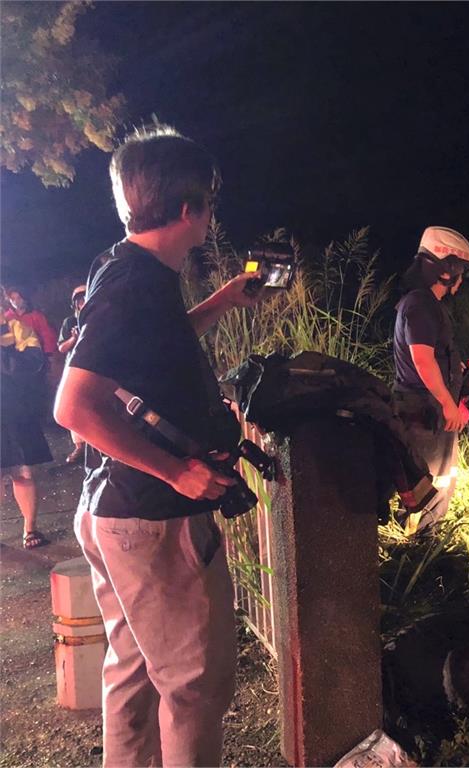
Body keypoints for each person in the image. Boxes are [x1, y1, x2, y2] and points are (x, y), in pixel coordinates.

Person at [53, 125, 266, 768]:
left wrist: (222, 302)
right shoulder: (136, 283)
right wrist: (176, 471)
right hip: (150, 519)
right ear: (188, 210)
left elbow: (148, 348)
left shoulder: (126, 268)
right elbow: (73, 406)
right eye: (208, 204)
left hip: (113, 511)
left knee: (134, 671)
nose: (210, 218)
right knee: (194, 687)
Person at [391, 226, 469, 529]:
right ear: (446, 271)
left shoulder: (424, 305)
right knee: (427, 483)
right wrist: (446, 403)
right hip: (424, 411)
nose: (462, 281)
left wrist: (459, 385)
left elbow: (434, 358)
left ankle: (425, 538)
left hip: (430, 409)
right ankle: (418, 544)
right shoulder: (420, 305)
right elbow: (423, 359)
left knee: (439, 478)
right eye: (462, 273)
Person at [1, 308, 52, 548]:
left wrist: (5, 347)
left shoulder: (18, 327)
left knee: (22, 473)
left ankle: (30, 529)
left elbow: (32, 363)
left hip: (15, 411)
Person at [57, 284, 87, 463]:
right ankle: (80, 446)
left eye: (86, 296)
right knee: (73, 404)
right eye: (79, 299)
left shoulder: (100, 315)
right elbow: (61, 347)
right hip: (75, 366)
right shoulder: (70, 322)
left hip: (99, 365)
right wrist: (74, 338)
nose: (83, 301)